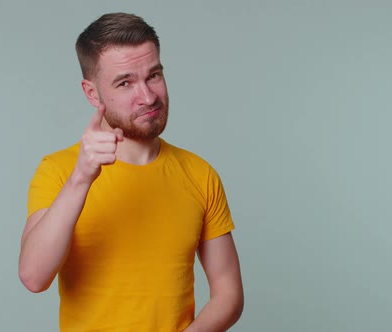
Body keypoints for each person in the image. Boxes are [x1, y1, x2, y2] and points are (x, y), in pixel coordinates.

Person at [19, 12, 244, 331]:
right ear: (92, 93)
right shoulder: (59, 171)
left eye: (153, 75)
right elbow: (33, 276)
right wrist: (81, 178)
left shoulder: (199, 173)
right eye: (125, 82)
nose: (149, 96)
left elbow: (229, 293)